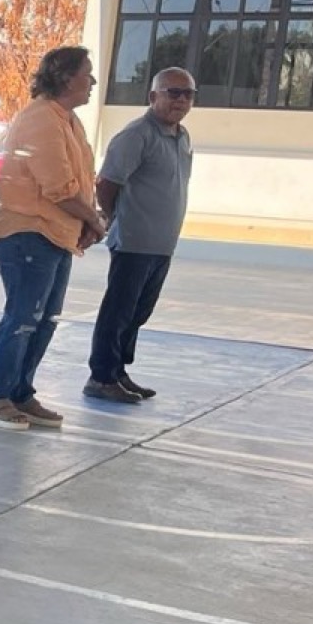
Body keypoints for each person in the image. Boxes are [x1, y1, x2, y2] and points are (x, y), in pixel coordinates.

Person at [0, 45, 107, 432]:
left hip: (56, 233)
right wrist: (95, 223)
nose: (93, 82)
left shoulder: (68, 120)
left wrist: (84, 223)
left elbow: (82, 181)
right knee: (23, 316)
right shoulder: (41, 120)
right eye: (87, 73)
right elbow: (59, 188)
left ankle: (21, 391)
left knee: (45, 319)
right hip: (27, 233)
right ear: (66, 78)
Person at [85, 67, 196, 404]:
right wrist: (117, 216)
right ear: (152, 96)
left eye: (187, 94)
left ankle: (118, 371)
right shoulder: (137, 135)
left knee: (138, 313)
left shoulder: (182, 136)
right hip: (134, 240)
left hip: (161, 244)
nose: (180, 100)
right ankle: (101, 376)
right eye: (172, 92)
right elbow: (106, 183)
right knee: (118, 310)